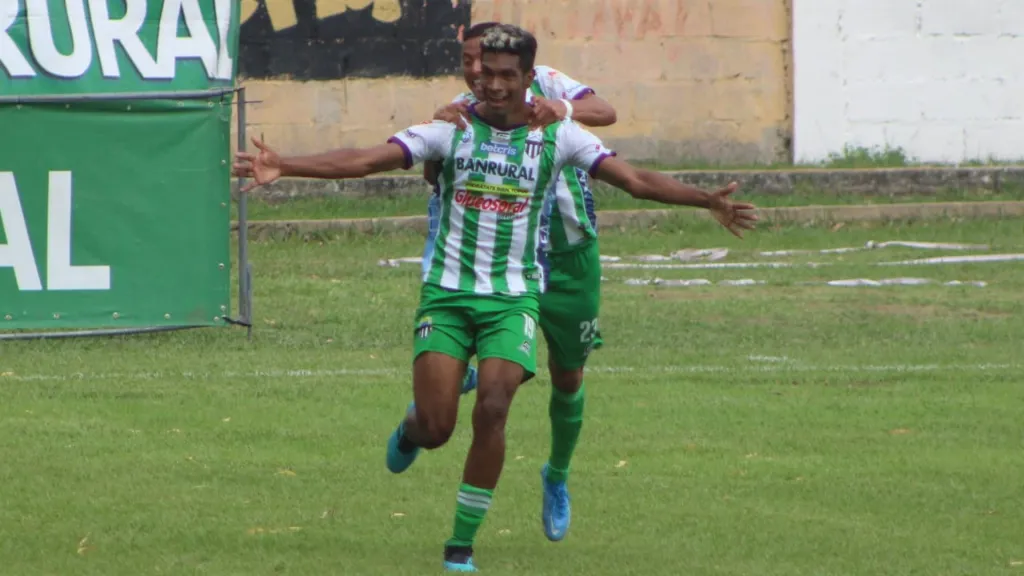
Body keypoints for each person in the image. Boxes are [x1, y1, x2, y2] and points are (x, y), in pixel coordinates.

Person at [232, 23, 757, 573]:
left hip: (514, 300)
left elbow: (635, 180)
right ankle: (413, 429)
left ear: (531, 78)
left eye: (508, 76)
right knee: (437, 429)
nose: (494, 85)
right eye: (486, 73)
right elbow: (364, 160)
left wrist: (705, 200)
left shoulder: (559, 133)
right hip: (449, 297)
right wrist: (285, 164)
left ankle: (460, 546)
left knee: (495, 406)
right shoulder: (449, 127)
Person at [416, 20, 621, 545]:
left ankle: (556, 475)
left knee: (569, 376)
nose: (476, 74)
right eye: (469, 65)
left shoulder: (547, 84)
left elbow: (606, 113)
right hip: (497, 265)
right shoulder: (469, 107)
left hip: (567, 253)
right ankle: (448, 392)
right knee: (489, 392)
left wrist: (563, 110)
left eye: (479, 62)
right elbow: (430, 168)